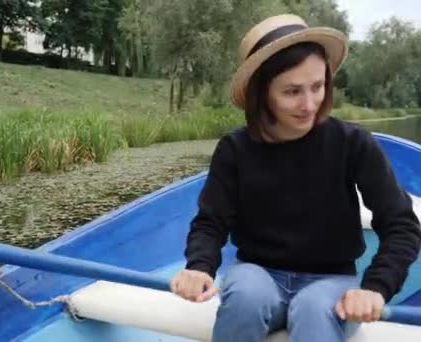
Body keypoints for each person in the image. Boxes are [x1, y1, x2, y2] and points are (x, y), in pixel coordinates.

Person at [169, 14, 421, 342]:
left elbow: (401, 225)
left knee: (315, 310)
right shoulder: (235, 149)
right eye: (292, 91)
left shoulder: (352, 144)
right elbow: (210, 222)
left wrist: (375, 288)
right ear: (263, 93)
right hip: (257, 274)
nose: (309, 104)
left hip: (331, 281)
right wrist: (199, 266)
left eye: (317, 87)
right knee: (246, 296)